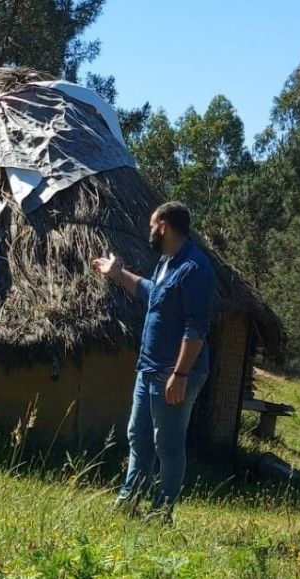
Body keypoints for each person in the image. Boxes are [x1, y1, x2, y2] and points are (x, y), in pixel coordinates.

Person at [91, 201, 216, 522]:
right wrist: (118, 274)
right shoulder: (165, 263)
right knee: (139, 436)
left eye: (151, 225)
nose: (149, 232)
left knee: (168, 445)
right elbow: (150, 293)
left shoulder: (195, 268)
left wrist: (180, 373)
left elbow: (196, 327)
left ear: (163, 225)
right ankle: (128, 503)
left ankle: (161, 513)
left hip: (173, 373)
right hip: (149, 368)